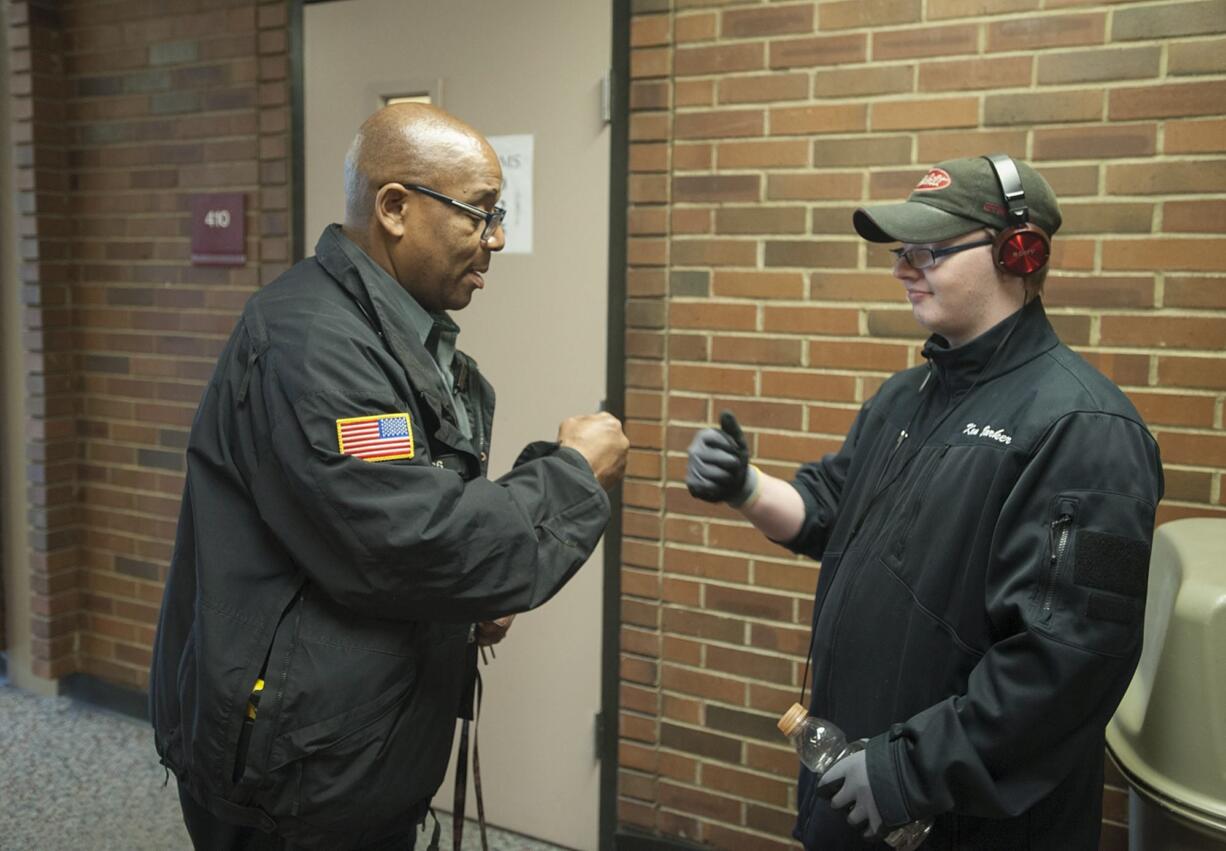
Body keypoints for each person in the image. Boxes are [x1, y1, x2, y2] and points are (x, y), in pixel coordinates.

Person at [150, 103, 629, 850]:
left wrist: (464, 602)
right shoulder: (311, 344)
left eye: (499, 213)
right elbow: (411, 540)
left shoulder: (395, 333)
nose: (496, 238)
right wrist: (571, 476)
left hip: (347, 737)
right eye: (480, 213)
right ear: (396, 208)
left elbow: (394, 523)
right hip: (295, 772)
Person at [687, 155, 1163, 849]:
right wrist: (746, 485)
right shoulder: (905, 398)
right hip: (863, 792)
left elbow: (1073, 662)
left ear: (1017, 251)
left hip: (958, 817)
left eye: (929, 252)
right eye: (902, 251)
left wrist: (906, 767)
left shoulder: (1088, 431)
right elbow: (828, 511)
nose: (903, 269)